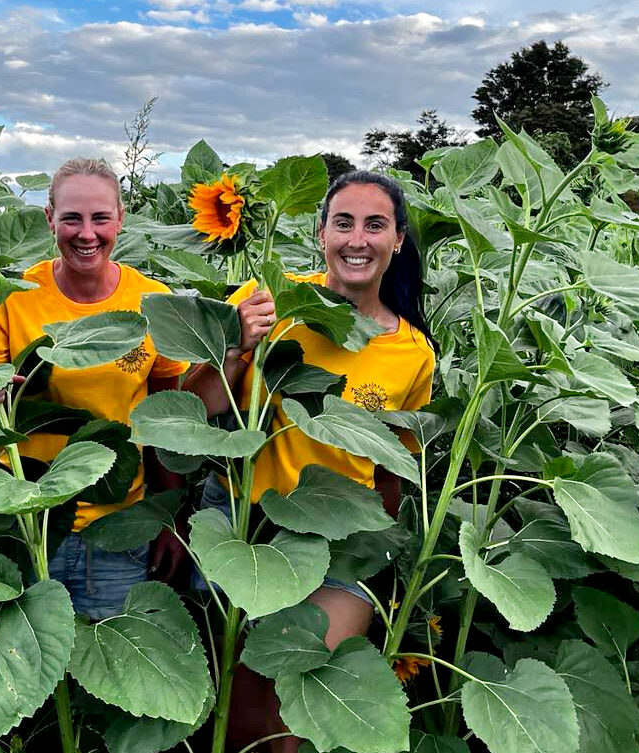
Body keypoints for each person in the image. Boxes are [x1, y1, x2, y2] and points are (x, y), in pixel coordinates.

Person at [184, 170, 435, 752]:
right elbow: (198, 409)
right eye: (343, 222)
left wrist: (383, 550)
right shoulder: (272, 298)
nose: (358, 239)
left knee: (293, 718)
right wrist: (238, 343)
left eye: (376, 225)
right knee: (246, 713)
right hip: (253, 529)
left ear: (397, 241)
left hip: (343, 542)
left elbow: (399, 460)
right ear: (321, 232)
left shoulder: (412, 351)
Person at [0, 157, 188, 619]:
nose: (87, 233)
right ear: (50, 219)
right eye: (72, 218)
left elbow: (166, 421)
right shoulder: (10, 295)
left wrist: (168, 518)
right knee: (19, 668)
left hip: (116, 520)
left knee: (111, 666)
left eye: (101, 217)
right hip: (20, 517)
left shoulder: (153, 303)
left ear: (121, 218)